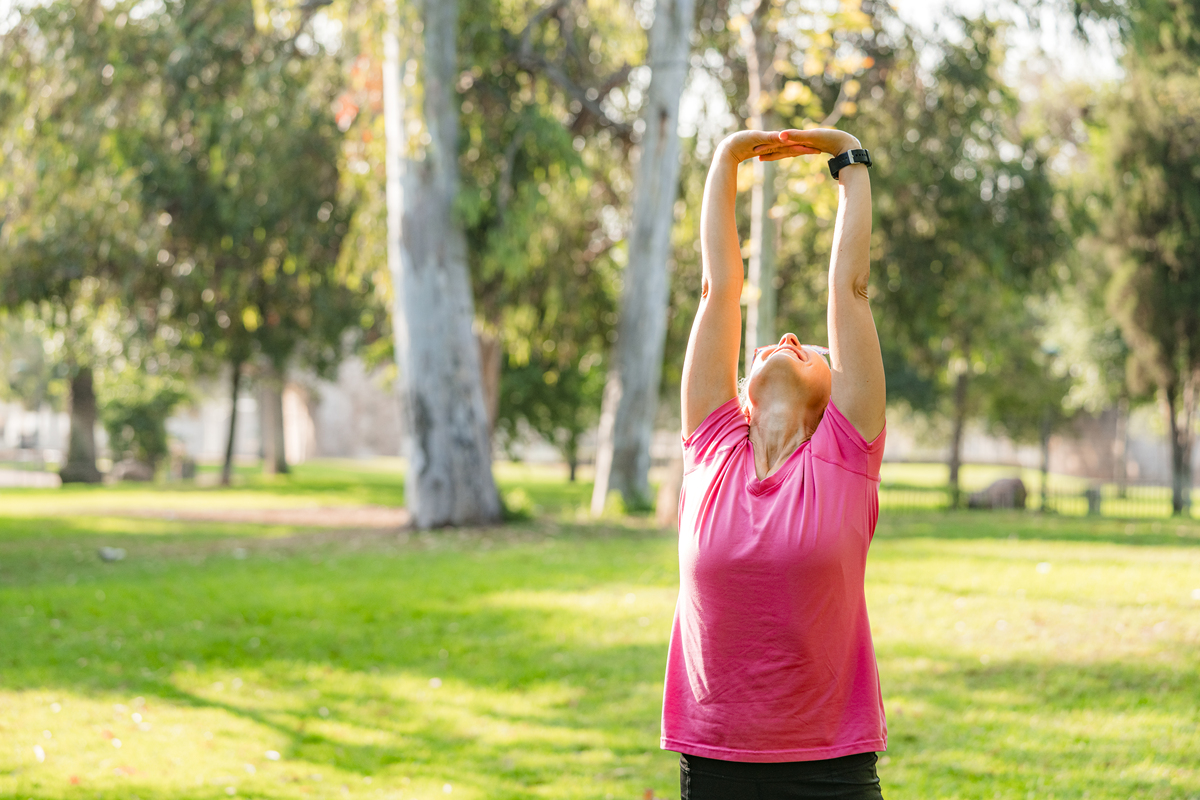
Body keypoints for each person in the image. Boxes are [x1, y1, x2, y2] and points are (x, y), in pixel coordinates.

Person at [661, 127, 887, 800]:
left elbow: (851, 289)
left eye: (808, 347)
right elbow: (716, 289)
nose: (786, 338)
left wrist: (848, 158)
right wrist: (728, 157)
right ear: (742, 392)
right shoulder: (712, 447)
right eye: (772, 344)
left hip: (832, 771)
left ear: (833, 399)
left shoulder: (846, 454)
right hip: (716, 763)